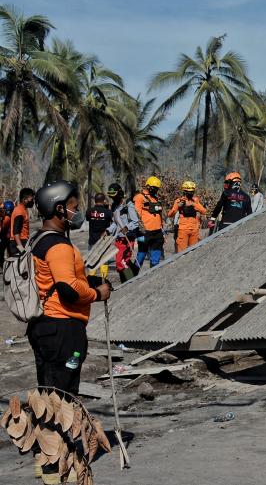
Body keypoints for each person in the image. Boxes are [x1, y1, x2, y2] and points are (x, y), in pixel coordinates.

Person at [27, 181, 111, 484]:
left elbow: (59, 279)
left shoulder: (40, 240)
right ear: (59, 208)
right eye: (73, 205)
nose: (77, 211)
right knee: (62, 399)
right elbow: (67, 288)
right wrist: (97, 292)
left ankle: (45, 460)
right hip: (62, 328)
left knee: (49, 395)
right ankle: (56, 470)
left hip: (45, 327)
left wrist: (84, 278)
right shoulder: (59, 246)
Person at [107, 183, 141, 283]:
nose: (113, 199)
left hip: (127, 238)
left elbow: (135, 222)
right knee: (123, 261)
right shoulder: (113, 206)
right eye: (111, 197)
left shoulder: (128, 204)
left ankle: (130, 280)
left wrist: (127, 227)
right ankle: (128, 279)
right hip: (118, 238)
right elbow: (115, 223)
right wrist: (108, 230)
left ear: (120, 194)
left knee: (120, 262)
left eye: (115, 196)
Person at [133, 176, 165, 268]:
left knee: (156, 256)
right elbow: (136, 214)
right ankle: (131, 277)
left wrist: (162, 229)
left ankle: (154, 274)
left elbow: (159, 215)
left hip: (157, 232)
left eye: (156, 188)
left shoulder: (156, 198)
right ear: (147, 186)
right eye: (153, 188)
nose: (155, 190)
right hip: (145, 231)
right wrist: (140, 230)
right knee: (141, 254)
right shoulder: (139, 197)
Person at [168, 181, 206, 252]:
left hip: (194, 229)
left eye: (192, 191)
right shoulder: (179, 201)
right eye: (189, 191)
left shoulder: (196, 201)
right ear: (184, 191)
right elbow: (170, 214)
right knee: (181, 253)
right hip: (183, 229)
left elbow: (204, 211)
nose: (191, 193)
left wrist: (194, 205)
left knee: (193, 252)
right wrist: (177, 206)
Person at [8, 187, 35, 256]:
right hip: (18, 243)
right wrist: (21, 249)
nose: (33, 201)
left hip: (21, 241)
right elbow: (16, 232)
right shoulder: (19, 211)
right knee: (19, 265)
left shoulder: (23, 209)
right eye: (31, 199)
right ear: (25, 199)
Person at [0, 200, 12, 266]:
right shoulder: (7, 217)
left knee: (3, 251)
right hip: (7, 237)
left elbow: (3, 229)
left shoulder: (7, 218)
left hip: (6, 237)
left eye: (3, 209)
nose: (2, 210)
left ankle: (4, 265)